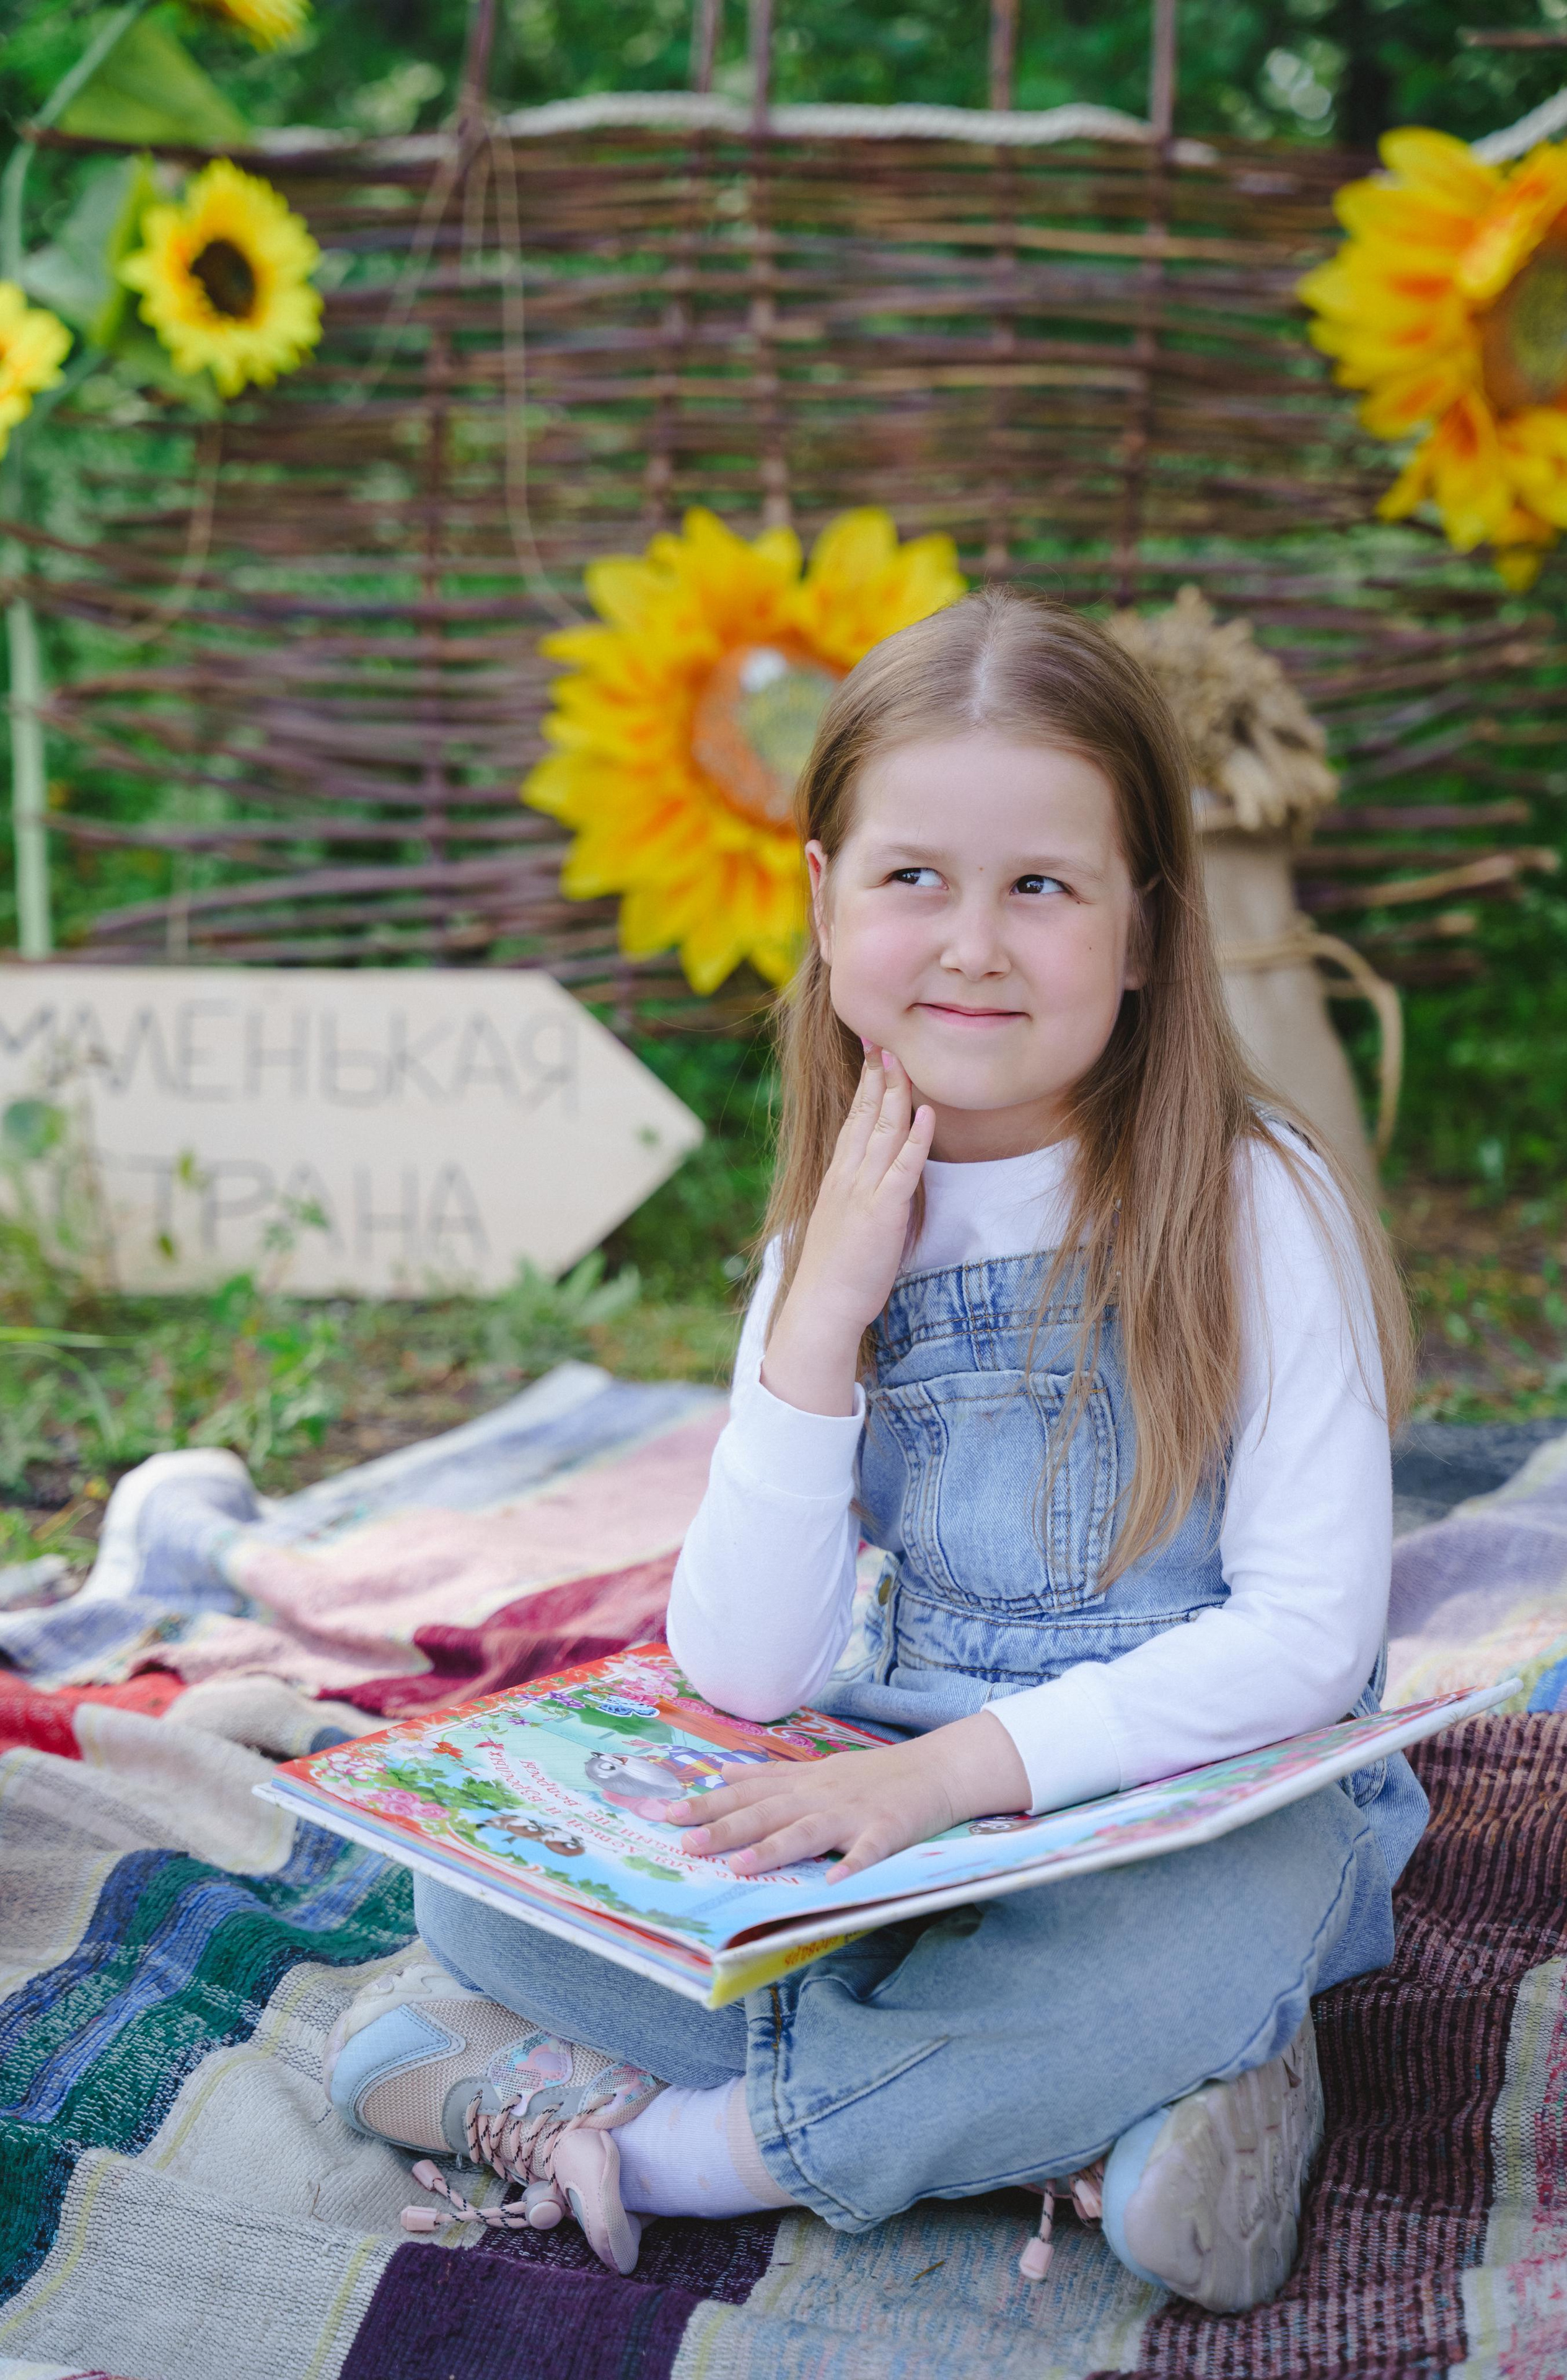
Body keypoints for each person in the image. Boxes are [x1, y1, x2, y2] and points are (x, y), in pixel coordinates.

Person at [323, 589, 1421, 2311]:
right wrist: (818, 1324)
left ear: (1143, 929)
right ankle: (1098, 2123)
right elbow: (745, 1671)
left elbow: (1308, 1644)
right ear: (826, 903)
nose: (973, 944)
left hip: (1207, 1803)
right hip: (893, 1794)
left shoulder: (1250, 1201)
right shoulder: (836, 1231)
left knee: (1180, 1953)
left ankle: (689, 2147)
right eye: (916, 879)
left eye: (1041, 888)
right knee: (483, 1903)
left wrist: (941, 1779)